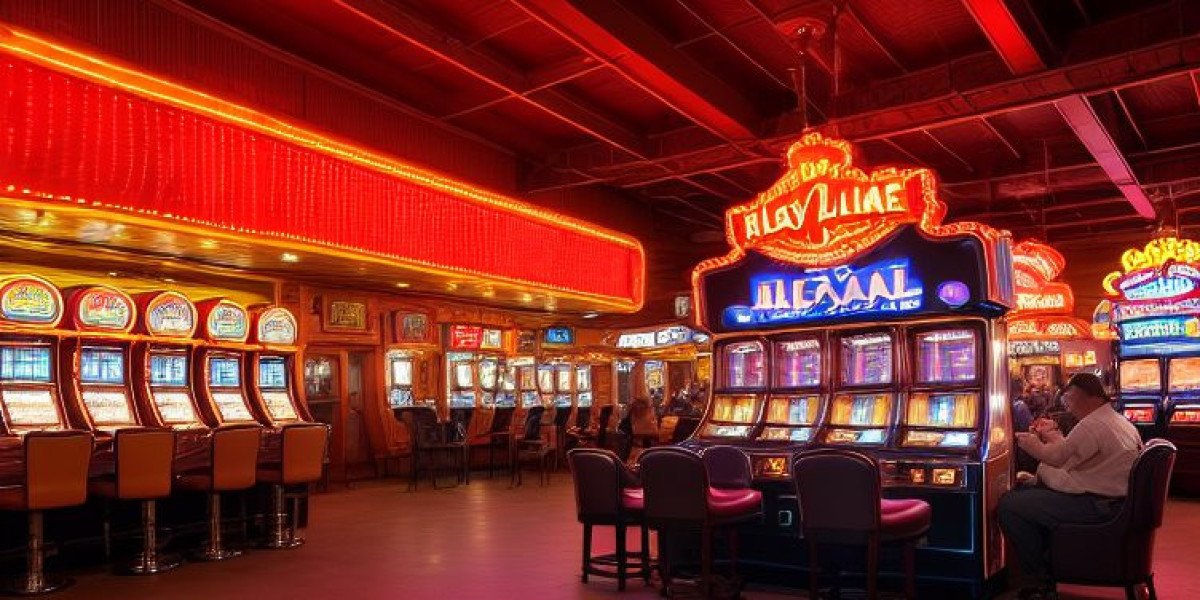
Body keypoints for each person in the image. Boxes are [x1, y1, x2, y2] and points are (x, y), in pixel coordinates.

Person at [998, 373, 1142, 600]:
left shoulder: (1093, 424)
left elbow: (1057, 459)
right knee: (1030, 493)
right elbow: (1072, 454)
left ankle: (1038, 581)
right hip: (1114, 502)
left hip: (1098, 506)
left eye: (1071, 399)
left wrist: (1031, 442)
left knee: (1010, 504)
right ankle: (1047, 570)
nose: (1069, 406)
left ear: (1089, 397)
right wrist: (1052, 435)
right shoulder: (1115, 420)